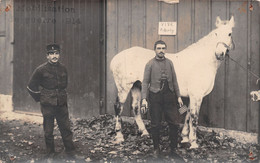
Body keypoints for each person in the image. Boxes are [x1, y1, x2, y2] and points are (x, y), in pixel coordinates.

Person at [27, 44, 77, 159]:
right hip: (48, 105)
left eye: (56, 53)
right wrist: (41, 98)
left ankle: (71, 152)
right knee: (48, 131)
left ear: (59, 55)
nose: (54, 56)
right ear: (47, 56)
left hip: (61, 103)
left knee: (66, 128)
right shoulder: (40, 70)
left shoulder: (63, 68)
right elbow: (30, 87)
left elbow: (64, 84)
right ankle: (50, 154)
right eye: (51, 54)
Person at [141, 40, 184, 160]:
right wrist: (144, 99)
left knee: (174, 123)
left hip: (169, 96)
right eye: (159, 48)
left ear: (165, 50)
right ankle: (156, 149)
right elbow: (145, 83)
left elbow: (175, 81)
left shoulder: (170, 63)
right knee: (155, 124)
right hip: (155, 96)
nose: (161, 51)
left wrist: (179, 96)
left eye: (163, 48)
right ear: (155, 50)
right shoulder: (150, 64)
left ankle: (173, 149)